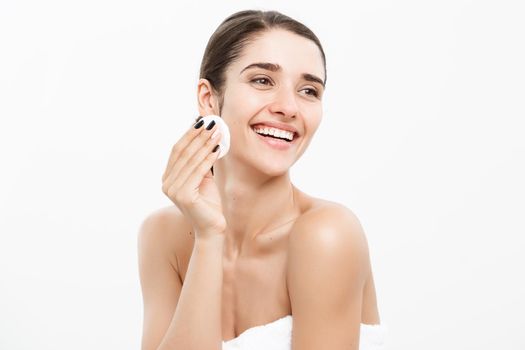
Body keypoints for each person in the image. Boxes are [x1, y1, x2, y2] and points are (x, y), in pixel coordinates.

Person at [138, 9, 387, 350]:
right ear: (209, 99)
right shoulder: (163, 236)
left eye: (309, 90)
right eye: (262, 80)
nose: (289, 107)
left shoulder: (327, 236)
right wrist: (209, 238)